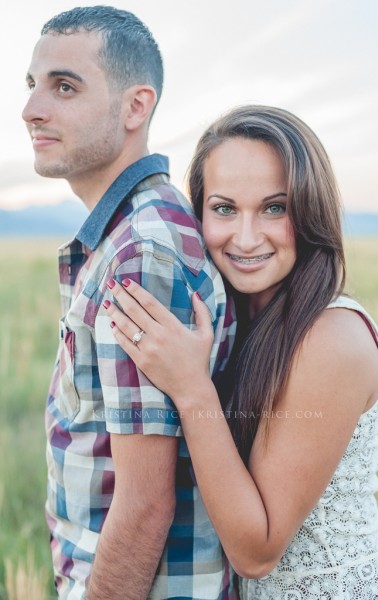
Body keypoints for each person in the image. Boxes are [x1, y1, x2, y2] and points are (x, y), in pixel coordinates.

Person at [105, 105, 378, 599]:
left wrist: (191, 387)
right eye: (224, 209)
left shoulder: (332, 337)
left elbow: (256, 552)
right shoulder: (236, 325)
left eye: (274, 208)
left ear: (310, 211)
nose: (244, 237)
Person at [22, 6, 237, 599]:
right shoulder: (127, 234)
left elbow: (144, 507)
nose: (31, 109)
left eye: (64, 86)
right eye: (32, 85)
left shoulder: (141, 250)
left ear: (135, 107)